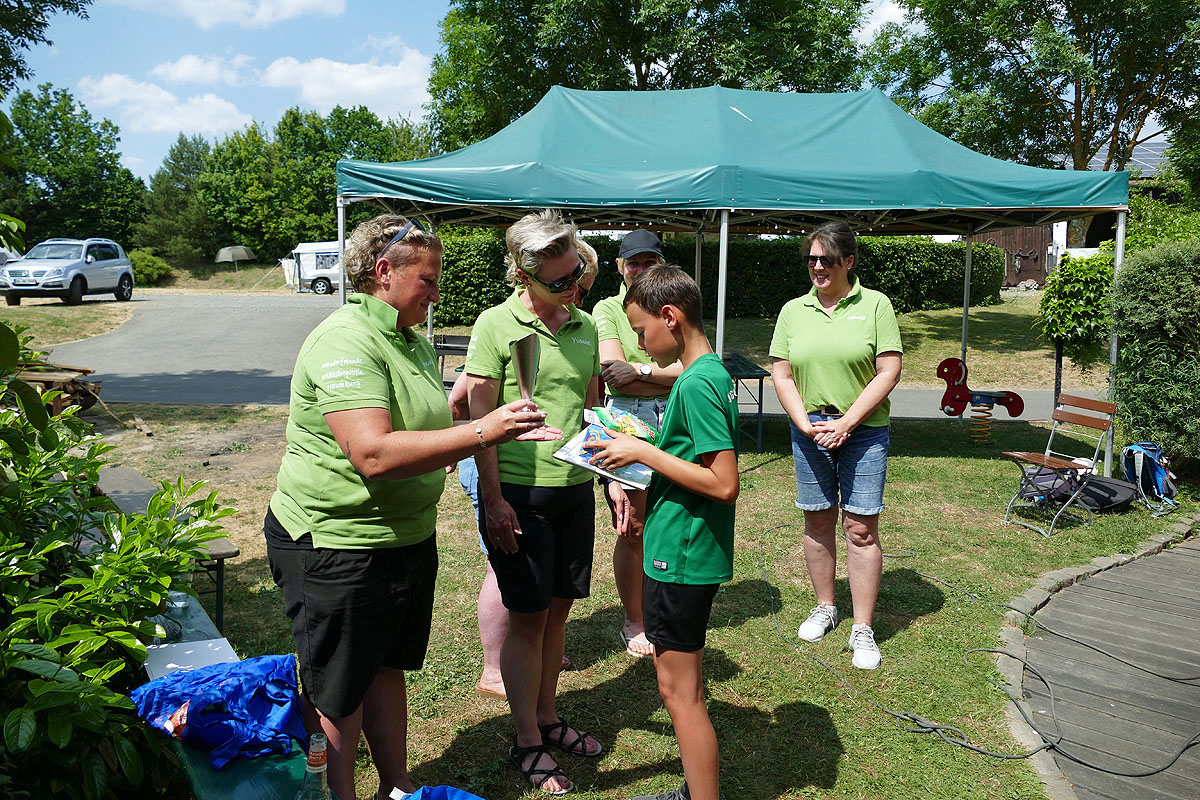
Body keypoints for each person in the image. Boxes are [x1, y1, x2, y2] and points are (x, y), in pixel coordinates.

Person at [264, 214, 557, 800]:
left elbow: (433, 420)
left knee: (388, 664)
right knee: (341, 688)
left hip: (403, 539)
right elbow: (371, 453)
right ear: (383, 273)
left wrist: (481, 427)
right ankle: (340, 795)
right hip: (338, 544)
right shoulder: (346, 340)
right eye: (427, 279)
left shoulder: (410, 338)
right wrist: (481, 434)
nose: (436, 290)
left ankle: (395, 787)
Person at [582, 264, 739, 800]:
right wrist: (643, 443)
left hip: (683, 552)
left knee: (681, 694)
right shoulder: (706, 375)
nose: (644, 349)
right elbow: (691, 452)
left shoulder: (697, 383)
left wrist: (643, 452)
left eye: (643, 331)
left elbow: (723, 483)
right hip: (679, 547)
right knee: (678, 688)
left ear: (670, 317)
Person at [466, 210, 604, 795]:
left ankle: (548, 716)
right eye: (558, 281)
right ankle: (526, 739)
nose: (572, 288)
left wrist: (614, 478)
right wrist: (493, 499)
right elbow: (478, 418)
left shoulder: (587, 326)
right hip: (519, 495)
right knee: (526, 621)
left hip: (574, 491)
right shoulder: (496, 326)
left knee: (558, 613)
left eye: (575, 274)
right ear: (524, 276)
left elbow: (594, 408)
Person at [768, 221, 903, 670]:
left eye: (827, 259)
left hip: (863, 431)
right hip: (810, 430)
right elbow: (781, 374)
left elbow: (888, 371)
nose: (818, 266)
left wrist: (847, 421)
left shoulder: (877, 305)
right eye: (811, 259)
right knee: (818, 520)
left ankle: (862, 627)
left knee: (861, 528)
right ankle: (826, 606)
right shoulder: (793, 311)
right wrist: (806, 424)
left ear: (849, 261)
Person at [591, 229, 681, 658]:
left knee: (674, 518)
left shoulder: (674, 302)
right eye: (634, 263)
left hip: (675, 415)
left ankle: (664, 609)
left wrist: (642, 373)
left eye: (649, 262)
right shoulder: (607, 308)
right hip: (626, 422)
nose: (641, 270)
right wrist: (660, 373)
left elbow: (693, 366)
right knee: (634, 525)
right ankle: (635, 619)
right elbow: (612, 370)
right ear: (620, 268)